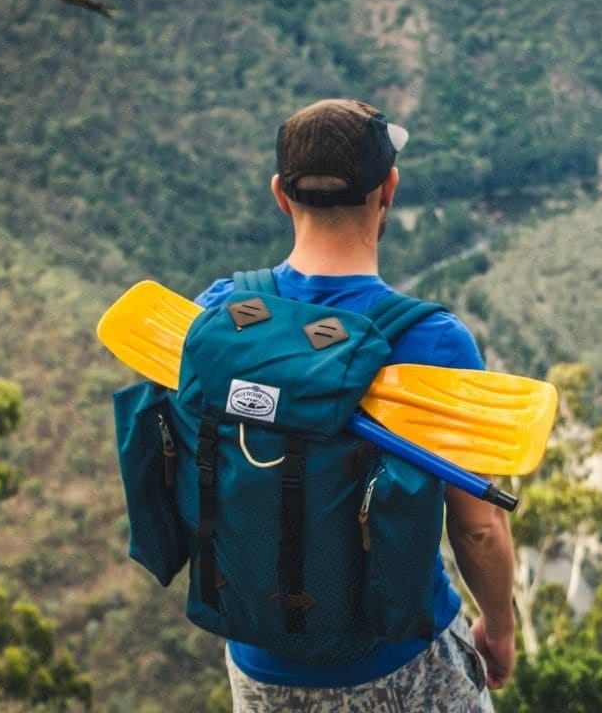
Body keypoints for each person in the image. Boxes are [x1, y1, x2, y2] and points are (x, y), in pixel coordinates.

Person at [193, 99, 515, 711]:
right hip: (404, 659)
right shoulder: (433, 342)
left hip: (259, 666)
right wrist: (498, 625)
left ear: (280, 196)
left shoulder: (218, 311)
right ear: (388, 189)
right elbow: (477, 527)